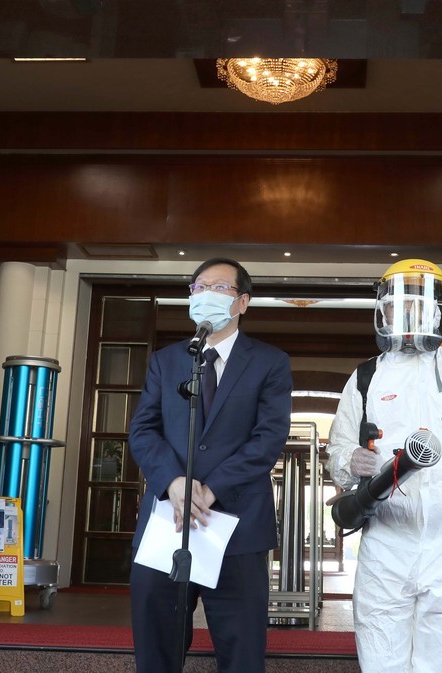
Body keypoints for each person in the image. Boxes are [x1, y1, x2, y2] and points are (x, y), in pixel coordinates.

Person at [327, 259, 442, 673]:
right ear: (383, 311)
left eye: (418, 304)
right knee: (381, 657)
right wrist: (348, 460)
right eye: (398, 305)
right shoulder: (365, 377)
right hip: (386, 542)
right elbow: (338, 450)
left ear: (436, 312)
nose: (408, 313)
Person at [128, 258, 294, 673]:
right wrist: (174, 482)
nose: (205, 295)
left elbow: (268, 438)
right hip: (168, 521)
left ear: (242, 302)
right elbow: (143, 430)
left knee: (241, 653)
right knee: (156, 648)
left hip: (238, 525)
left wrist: (210, 488)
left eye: (218, 288)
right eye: (198, 287)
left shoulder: (270, 362)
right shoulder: (166, 361)